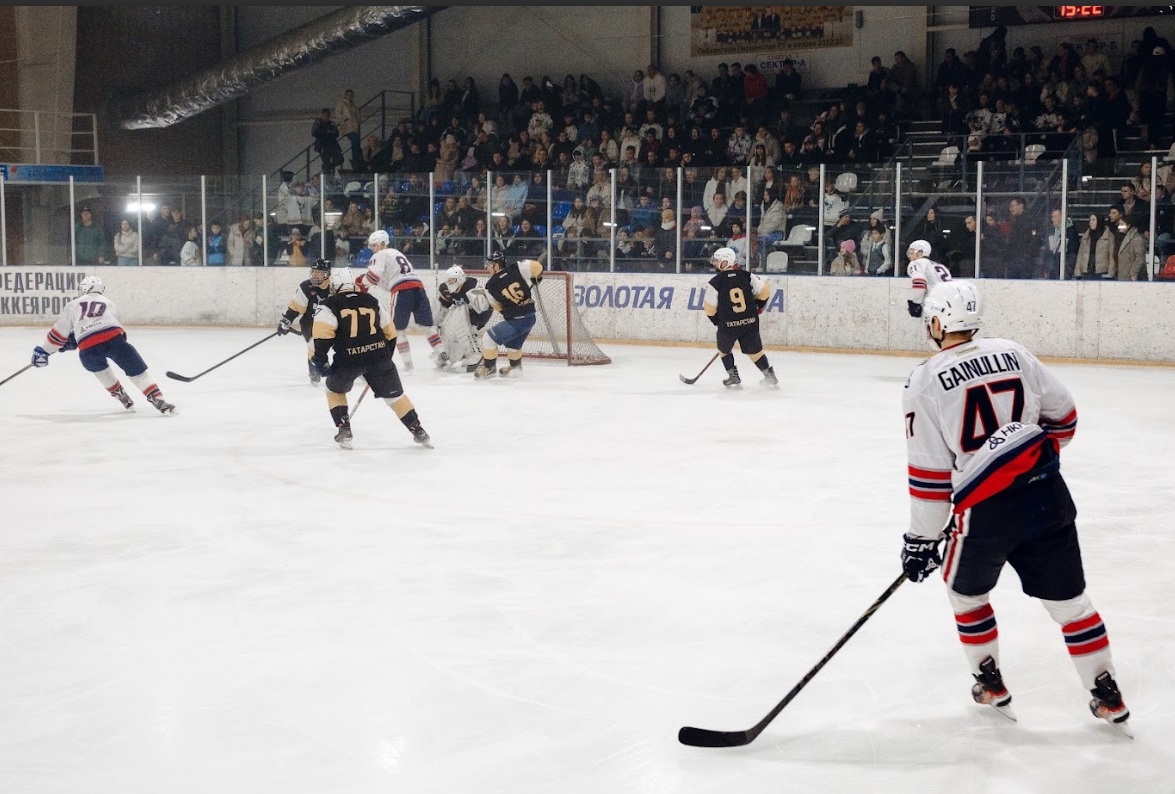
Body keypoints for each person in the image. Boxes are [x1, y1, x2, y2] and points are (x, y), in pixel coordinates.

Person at [900, 280, 1131, 736]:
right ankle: (1109, 696)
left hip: (985, 513)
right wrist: (1026, 460)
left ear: (939, 323)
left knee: (966, 595)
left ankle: (991, 685)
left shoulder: (924, 380)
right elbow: (1064, 418)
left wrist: (920, 540)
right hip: (1047, 496)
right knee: (1071, 604)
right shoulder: (1014, 352)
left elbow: (930, 476)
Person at [311, 270, 430, 450]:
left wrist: (321, 361)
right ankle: (418, 429)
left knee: (333, 390)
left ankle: (344, 427)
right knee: (395, 397)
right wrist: (384, 357)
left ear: (335, 286)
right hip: (379, 356)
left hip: (348, 361)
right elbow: (390, 332)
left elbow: (322, 337)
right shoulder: (371, 300)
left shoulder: (328, 304)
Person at [31, 276, 175, 414]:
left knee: (102, 372)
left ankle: (121, 396)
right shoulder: (110, 303)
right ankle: (158, 400)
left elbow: (59, 333)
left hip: (87, 347)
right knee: (138, 372)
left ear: (83, 288)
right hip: (114, 340)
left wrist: (45, 351)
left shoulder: (73, 304)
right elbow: (112, 325)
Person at [356, 230, 445, 372]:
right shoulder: (397, 253)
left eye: (375, 245)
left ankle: (408, 364)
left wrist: (362, 282)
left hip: (402, 291)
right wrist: (371, 281)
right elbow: (386, 282)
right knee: (427, 326)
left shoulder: (379, 255)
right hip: (419, 288)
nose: (372, 248)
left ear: (383, 244)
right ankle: (442, 354)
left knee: (397, 330)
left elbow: (373, 277)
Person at [702, 246, 777, 389]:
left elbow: (710, 308)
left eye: (717, 260)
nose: (714, 263)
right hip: (750, 322)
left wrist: (718, 321)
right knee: (755, 352)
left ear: (725, 262)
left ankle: (733, 376)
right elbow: (765, 291)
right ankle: (769, 376)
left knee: (724, 350)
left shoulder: (715, 282)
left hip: (728, 325)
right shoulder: (747, 275)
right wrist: (759, 307)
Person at [473, 251, 544, 379]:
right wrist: (537, 276)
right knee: (513, 344)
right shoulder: (516, 268)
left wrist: (507, 309)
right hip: (530, 317)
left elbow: (497, 307)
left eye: (489, 264)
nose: (487, 267)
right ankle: (515, 368)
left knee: (488, 338)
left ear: (496, 265)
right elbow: (537, 266)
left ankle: (489, 368)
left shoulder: (491, 285)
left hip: (517, 320)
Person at [277, 258, 333, 384]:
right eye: (314, 272)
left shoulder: (334, 287)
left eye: (320, 273)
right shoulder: (306, 287)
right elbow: (296, 307)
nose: (316, 275)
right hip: (310, 324)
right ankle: (314, 371)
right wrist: (287, 320)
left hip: (331, 324)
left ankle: (354, 367)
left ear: (327, 274)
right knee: (314, 346)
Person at [436, 264, 493, 373]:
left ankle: (477, 355)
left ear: (460, 278)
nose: (449, 283)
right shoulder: (445, 289)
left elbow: (485, 306)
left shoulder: (471, 285)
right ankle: (446, 355)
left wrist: (477, 324)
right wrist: (438, 321)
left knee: (467, 330)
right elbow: (444, 306)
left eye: (452, 280)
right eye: (448, 280)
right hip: (464, 313)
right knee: (446, 328)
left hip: (479, 313)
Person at [904, 239, 952, 317]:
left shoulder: (916, 263)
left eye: (912, 253)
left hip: (934, 306)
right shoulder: (940, 266)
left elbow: (920, 281)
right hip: (950, 304)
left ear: (920, 253)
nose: (909, 256)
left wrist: (916, 303)